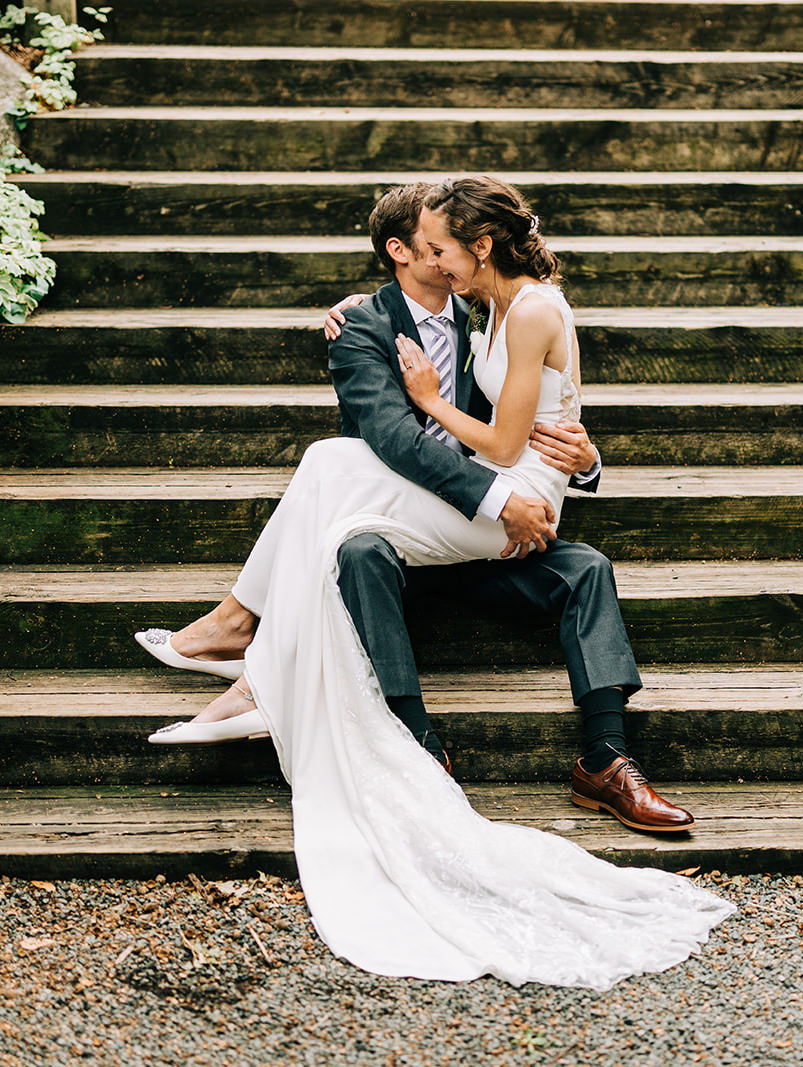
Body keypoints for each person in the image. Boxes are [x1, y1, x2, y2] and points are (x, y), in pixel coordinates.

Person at [135, 177, 733, 989]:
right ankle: (403, 734)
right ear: (401, 253)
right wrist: (492, 478)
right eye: (431, 247)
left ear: (471, 250)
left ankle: (604, 758)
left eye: (449, 245)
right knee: (348, 525)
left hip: (495, 507)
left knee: (573, 559)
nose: (444, 260)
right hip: (422, 529)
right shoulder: (368, 325)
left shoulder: (500, 307)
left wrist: (582, 462)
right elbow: (391, 433)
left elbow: (529, 423)